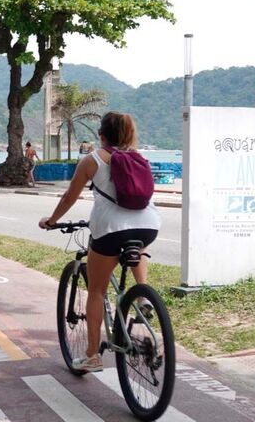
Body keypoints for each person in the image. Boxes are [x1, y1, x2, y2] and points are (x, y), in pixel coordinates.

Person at [38, 111, 160, 372]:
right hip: (149, 224)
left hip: (110, 229)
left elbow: (69, 198)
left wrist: (51, 220)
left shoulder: (91, 160)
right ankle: (142, 294)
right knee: (137, 243)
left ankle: (92, 356)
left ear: (101, 135)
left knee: (96, 291)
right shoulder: (140, 158)